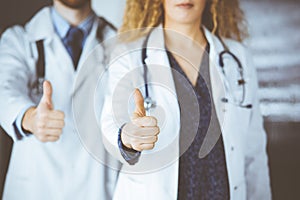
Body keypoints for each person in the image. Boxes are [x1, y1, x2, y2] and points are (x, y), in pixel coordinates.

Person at [101, 0, 272, 199]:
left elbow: (254, 151)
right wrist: (128, 138)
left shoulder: (238, 57)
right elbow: (110, 125)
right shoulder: (128, 56)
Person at [0, 0, 119, 199]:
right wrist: (30, 118)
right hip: (35, 189)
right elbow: (4, 89)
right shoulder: (19, 40)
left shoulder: (119, 43)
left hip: (97, 189)